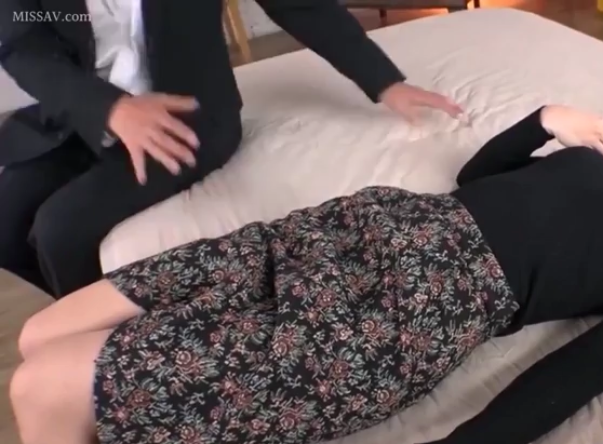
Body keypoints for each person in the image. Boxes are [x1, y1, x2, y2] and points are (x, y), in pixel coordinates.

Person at [9, 104, 603, 444]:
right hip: (342, 229)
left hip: (400, 313)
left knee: (44, 387)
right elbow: (476, 182)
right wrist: (543, 121)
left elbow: (578, 375)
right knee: (44, 332)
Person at [0, 0, 461, 299]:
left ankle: (103, 357)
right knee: (6, 219)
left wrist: (384, 82)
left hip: (188, 119)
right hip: (81, 113)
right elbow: (23, 45)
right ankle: (78, 319)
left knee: (60, 229)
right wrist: (107, 108)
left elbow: (297, 3)